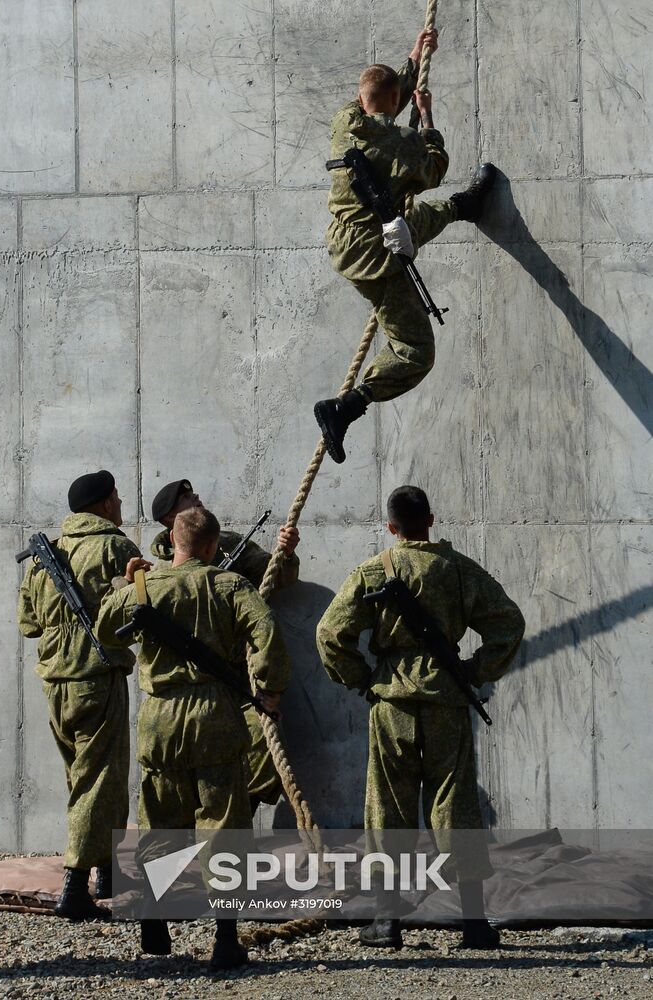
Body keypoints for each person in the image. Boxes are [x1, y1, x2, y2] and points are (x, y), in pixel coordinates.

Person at [316, 485, 525, 949]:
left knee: (388, 808)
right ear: (431, 520)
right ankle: (473, 922)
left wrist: (362, 678)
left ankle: (388, 921)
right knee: (456, 806)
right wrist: (474, 669)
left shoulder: (373, 570)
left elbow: (330, 632)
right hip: (447, 698)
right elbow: (509, 622)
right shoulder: (458, 570)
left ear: (391, 528)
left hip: (392, 700)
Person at [97, 505, 290, 969]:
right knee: (223, 823)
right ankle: (225, 937)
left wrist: (128, 583)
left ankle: (152, 911)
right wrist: (269, 690)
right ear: (211, 546)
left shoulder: (145, 586)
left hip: (159, 718)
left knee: (162, 819)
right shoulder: (230, 585)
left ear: (174, 542)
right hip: (214, 715)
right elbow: (267, 634)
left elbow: (105, 630)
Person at [314, 28, 497, 463]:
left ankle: (462, 207)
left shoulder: (344, 121)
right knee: (416, 352)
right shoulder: (404, 146)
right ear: (397, 101)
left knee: (415, 220)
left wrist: (415, 58)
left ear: (361, 99)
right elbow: (434, 167)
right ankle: (346, 406)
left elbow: (382, 100)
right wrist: (428, 119)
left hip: (343, 241)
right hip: (375, 257)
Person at [17, 470, 142, 919]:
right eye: (117, 497)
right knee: (99, 780)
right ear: (107, 505)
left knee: (84, 777)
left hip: (55, 683)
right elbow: (139, 611)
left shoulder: (44, 557)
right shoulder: (116, 548)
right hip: (97, 677)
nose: (122, 503)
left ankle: (107, 869)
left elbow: (29, 624)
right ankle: (75, 886)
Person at [150, 478, 299, 814]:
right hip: (182, 681)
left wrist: (286, 553)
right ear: (169, 521)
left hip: (235, 676)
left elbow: (280, 576)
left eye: (193, 492)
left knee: (262, 746)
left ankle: (236, 812)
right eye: (187, 499)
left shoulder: (227, 544)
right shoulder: (157, 569)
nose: (197, 497)